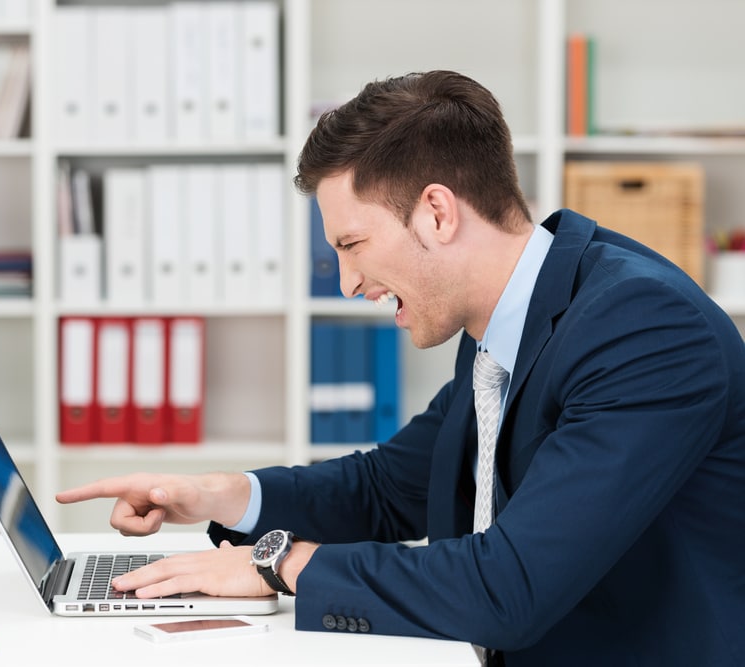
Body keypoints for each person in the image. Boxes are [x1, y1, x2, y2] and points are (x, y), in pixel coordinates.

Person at [56, 71, 745, 666]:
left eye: (353, 244)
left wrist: (275, 564)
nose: (348, 283)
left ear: (437, 212)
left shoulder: (643, 329)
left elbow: (510, 586)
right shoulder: (509, 319)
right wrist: (213, 494)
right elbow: (388, 488)